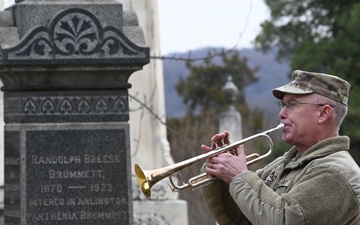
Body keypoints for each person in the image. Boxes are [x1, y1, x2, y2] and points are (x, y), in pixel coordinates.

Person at [201, 70, 360, 225]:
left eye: (292, 105)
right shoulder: (280, 164)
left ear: (323, 113)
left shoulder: (337, 173)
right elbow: (240, 219)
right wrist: (217, 172)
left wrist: (238, 175)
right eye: (283, 104)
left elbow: (286, 220)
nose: (281, 113)